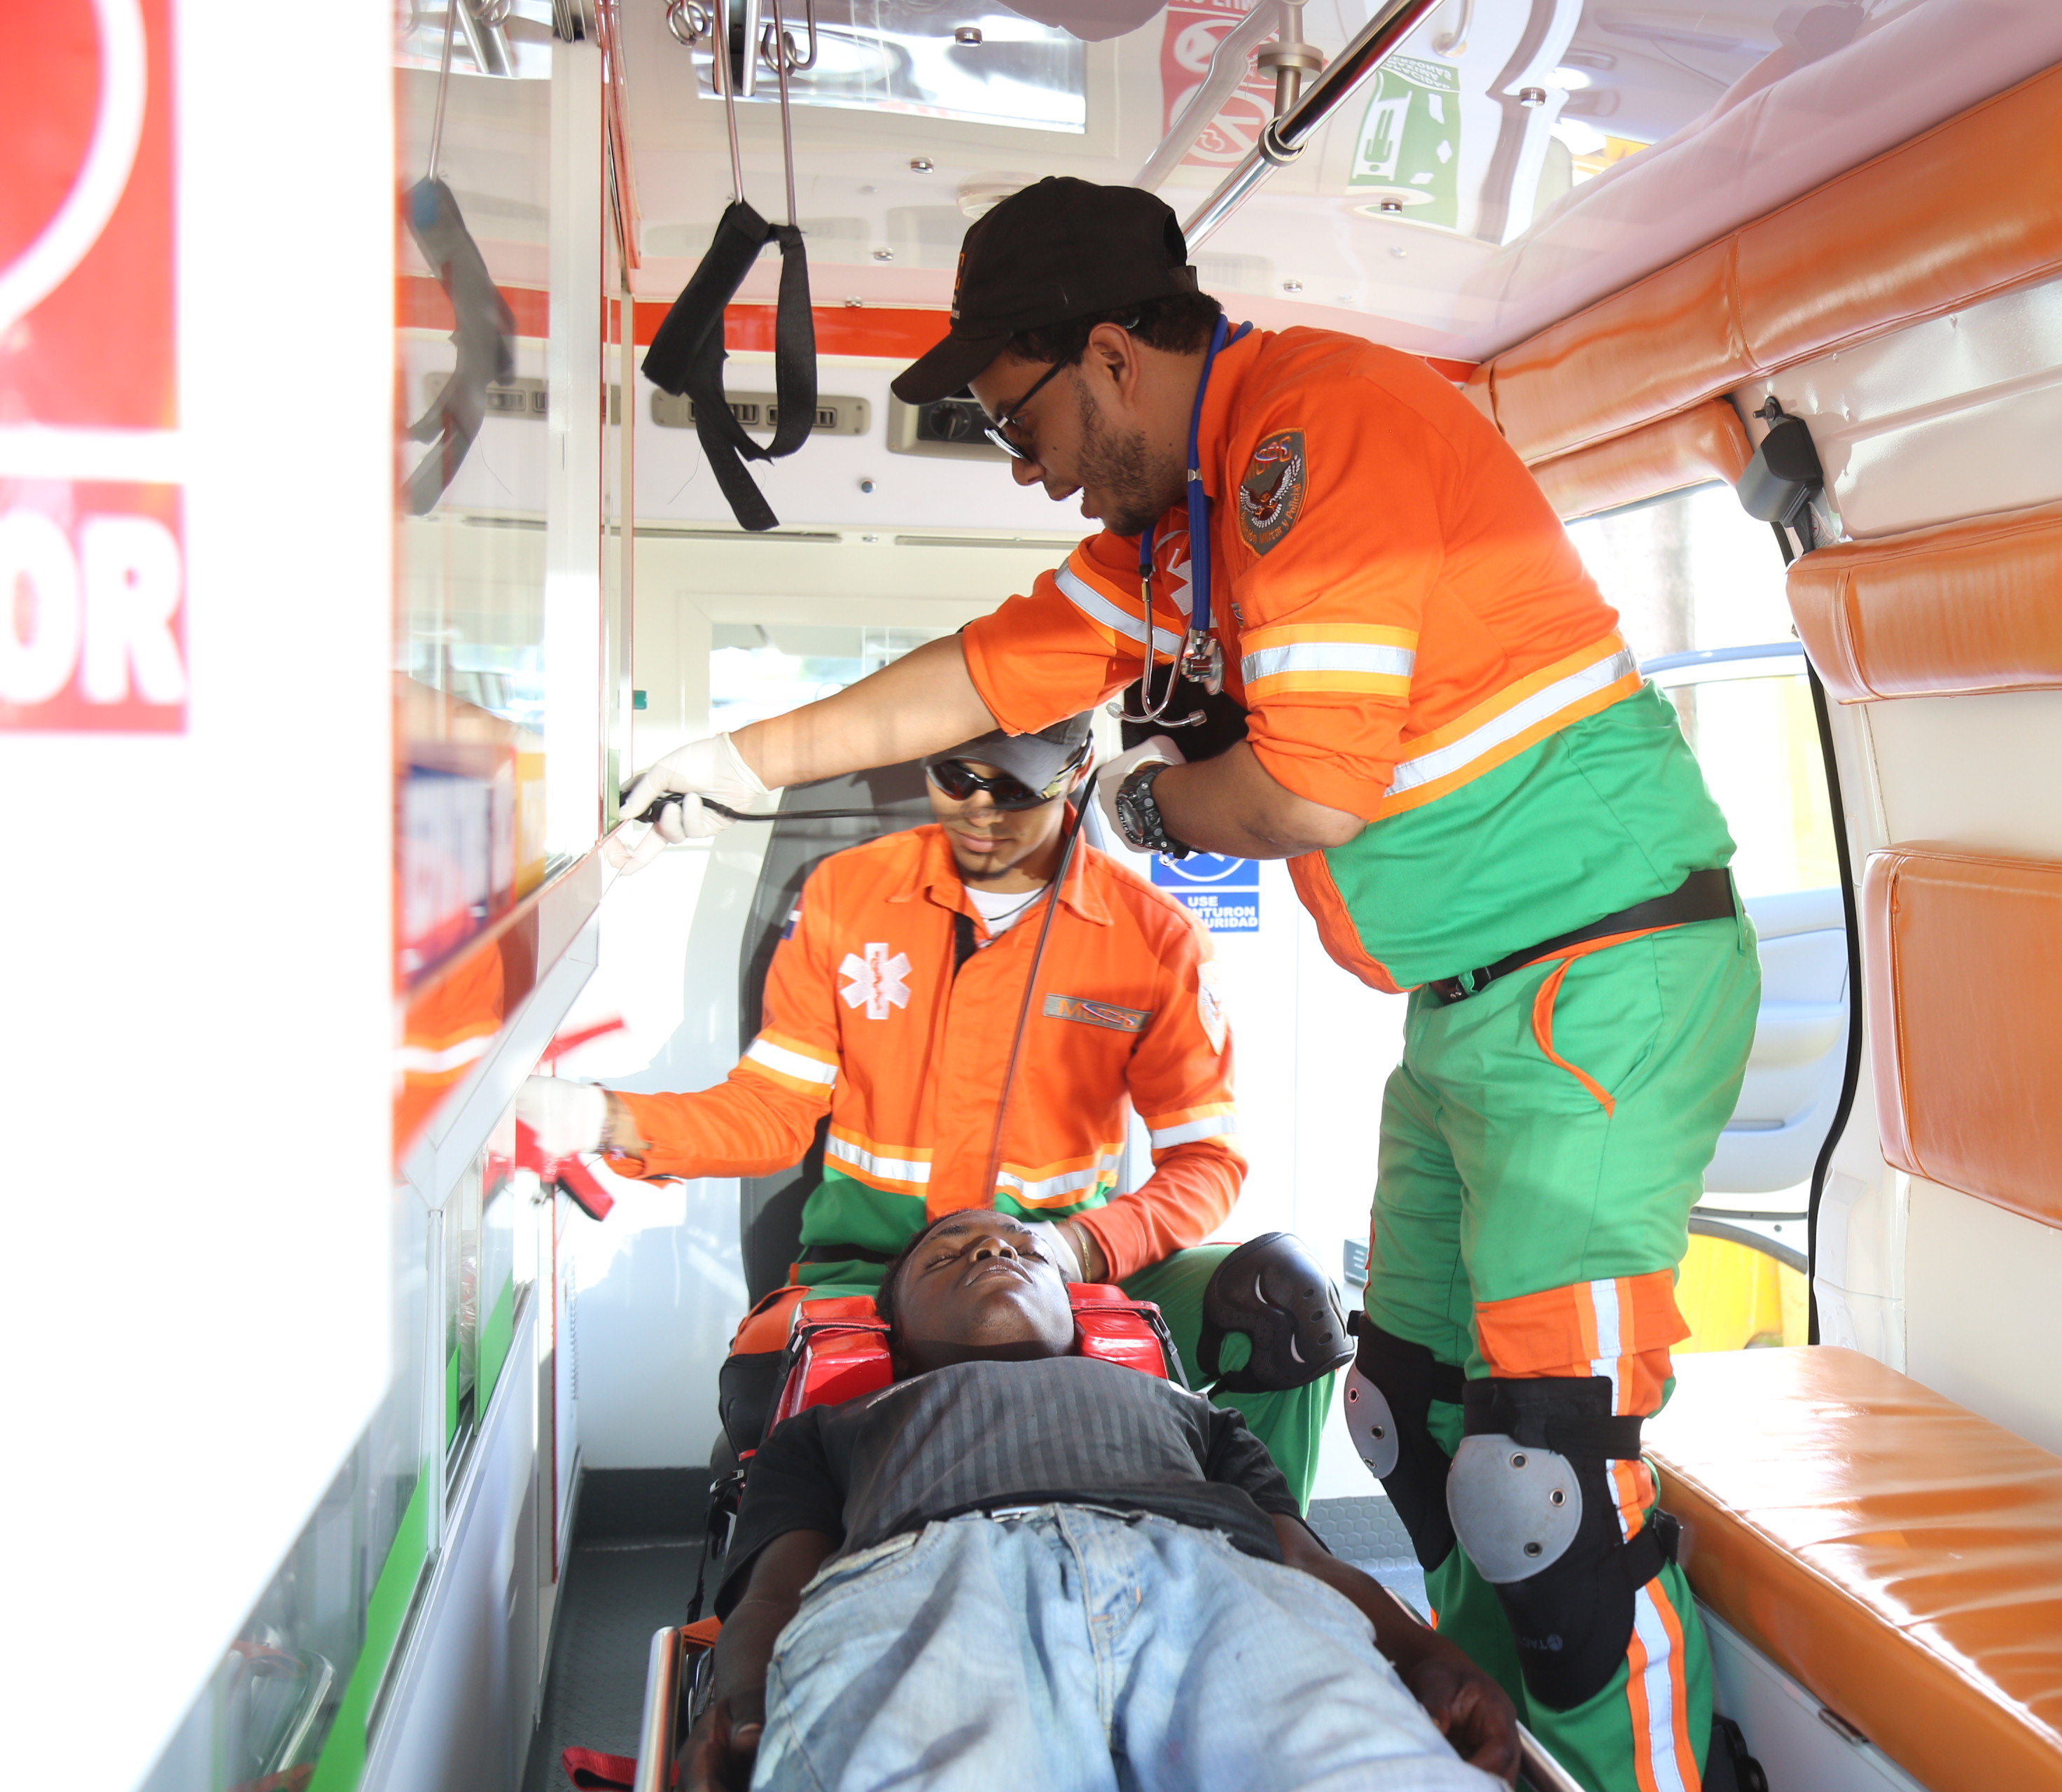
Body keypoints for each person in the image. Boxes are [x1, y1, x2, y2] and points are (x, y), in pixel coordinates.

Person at [616, 176, 1759, 1792]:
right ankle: (1497, 1734)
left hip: (1601, 977)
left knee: (1544, 1475)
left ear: (1107, 355)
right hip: (1468, 1007)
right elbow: (978, 669)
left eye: (1019, 420)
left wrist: (1139, 800)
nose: (1031, 468)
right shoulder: (1185, 541)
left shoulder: (1319, 430)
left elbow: (1303, 796)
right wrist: (736, 760)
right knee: (1410, 1417)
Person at [527, 714, 1342, 1504]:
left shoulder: (1155, 936)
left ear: (1074, 774)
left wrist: (1080, 1247)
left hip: (1057, 1273)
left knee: (1281, 1304)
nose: (979, 812)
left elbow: (1206, 1164)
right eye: (956, 779)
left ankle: (1261, 1551)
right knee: (771, 1391)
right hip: (868, 1275)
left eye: (1012, 790)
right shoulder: (850, 895)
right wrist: (603, 1120)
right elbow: (771, 1112)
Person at [678, 1208, 1517, 1792]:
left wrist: (1422, 1650)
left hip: (1213, 1582)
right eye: (947, 1257)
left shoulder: (1195, 1414)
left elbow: (1304, 1561)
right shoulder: (831, 1429)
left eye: (1025, 1249)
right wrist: (739, 1702)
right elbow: (775, 1595)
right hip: (935, 1587)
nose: (992, 1250)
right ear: (894, 1331)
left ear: (1072, 1306)